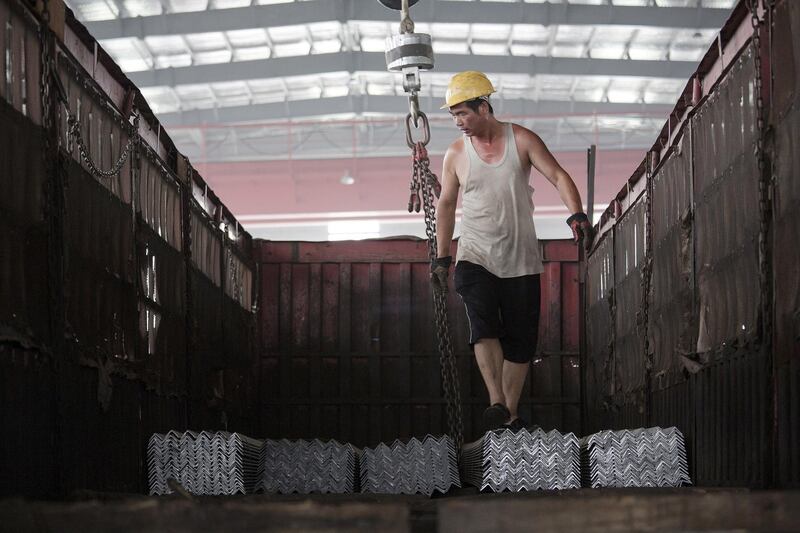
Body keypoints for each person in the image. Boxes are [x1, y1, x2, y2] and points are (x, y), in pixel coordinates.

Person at [431, 71, 593, 432]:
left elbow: (558, 176)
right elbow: (445, 204)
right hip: (475, 255)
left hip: (521, 258)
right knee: (483, 326)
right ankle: (497, 402)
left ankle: (510, 415)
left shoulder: (522, 140)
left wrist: (576, 214)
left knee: (521, 341)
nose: (458, 122)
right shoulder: (456, 154)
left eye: (463, 113)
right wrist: (443, 257)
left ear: (484, 106)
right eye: (453, 115)